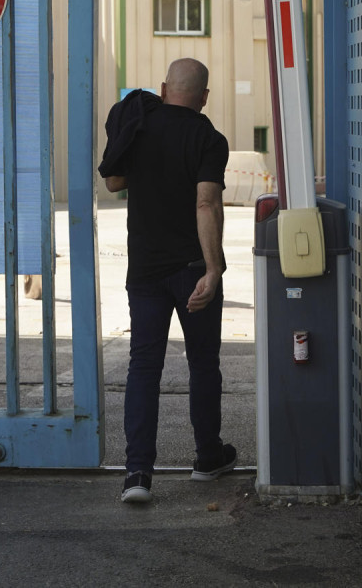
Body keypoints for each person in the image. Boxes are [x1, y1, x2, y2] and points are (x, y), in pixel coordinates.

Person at [99, 58, 235, 505]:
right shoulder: (209, 139)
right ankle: (207, 458)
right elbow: (206, 203)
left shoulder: (138, 126)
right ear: (205, 96)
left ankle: (137, 473)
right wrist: (213, 269)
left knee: (144, 368)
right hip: (193, 269)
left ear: (163, 88)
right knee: (202, 364)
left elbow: (115, 181)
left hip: (145, 271)